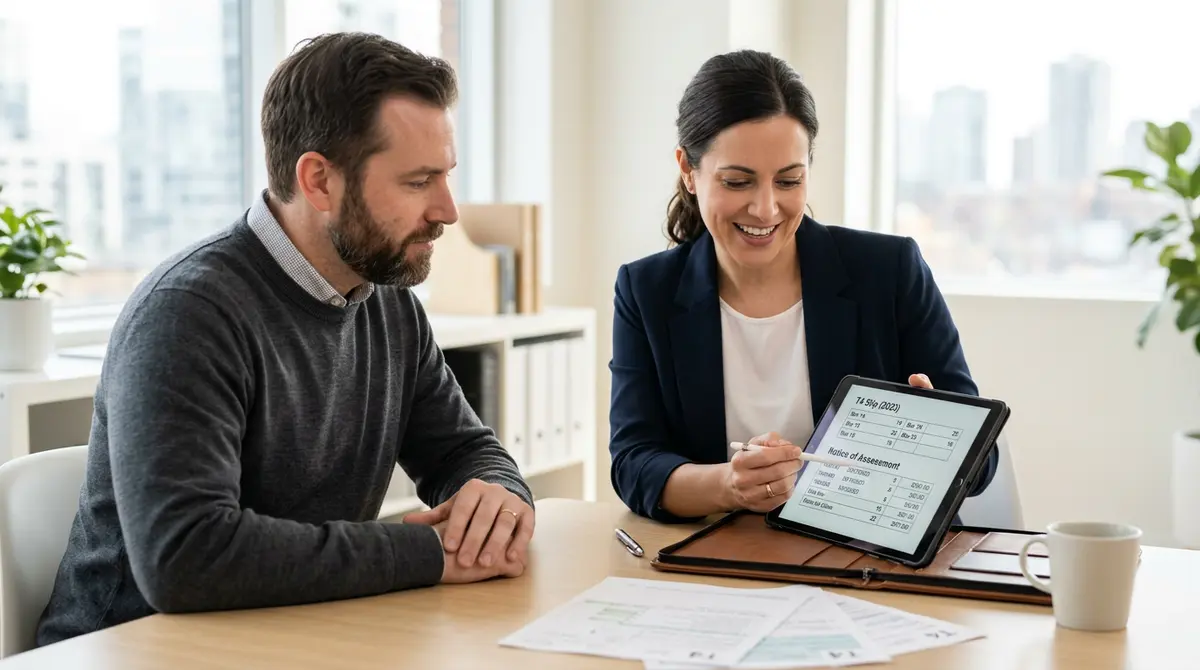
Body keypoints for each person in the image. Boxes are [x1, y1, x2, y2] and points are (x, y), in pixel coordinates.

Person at [36, 32, 535, 646]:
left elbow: (464, 453)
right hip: (136, 650)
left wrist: (499, 503)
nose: (448, 210)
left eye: (446, 177)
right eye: (418, 182)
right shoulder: (188, 313)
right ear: (319, 181)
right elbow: (186, 557)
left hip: (292, 634)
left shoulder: (387, 300)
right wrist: (429, 552)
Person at [608, 49, 997, 523]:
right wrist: (731, 486)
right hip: (727, 559)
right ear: (689, 172)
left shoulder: (890, 271)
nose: (766, 209)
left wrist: (937, 437)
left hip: (875, 558)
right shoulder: (646, 291)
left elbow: (983, 462)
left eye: (789, 180)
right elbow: (634, 463)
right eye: (737, 182)